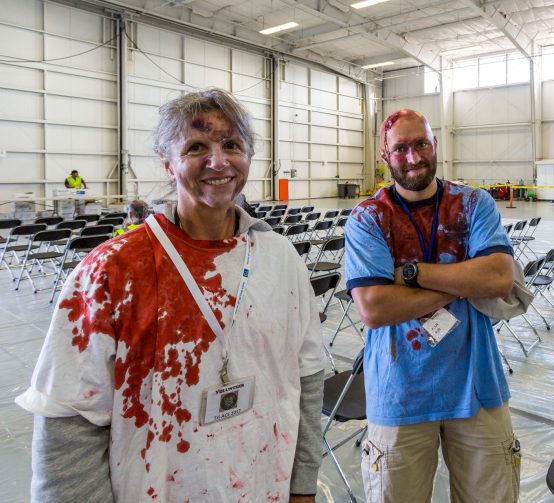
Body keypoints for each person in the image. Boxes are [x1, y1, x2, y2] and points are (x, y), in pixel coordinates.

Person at [16, 88, 324, 503]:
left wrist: (302, 486)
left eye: (232, 145)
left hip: (265, 485)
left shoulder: (281, 258)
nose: (219, 161)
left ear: (249, 157)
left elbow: (307, 376)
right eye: (197, 147)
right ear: (167, 161)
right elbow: (68, 424)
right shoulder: (110, 272)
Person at [345, 109, 520, 503]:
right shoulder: (368, 218)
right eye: (401, 148)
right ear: (384, 155)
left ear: (435, 144)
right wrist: (461, 281)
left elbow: (497, 277)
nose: (413, 157)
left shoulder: (474, 203)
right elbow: (373, 307)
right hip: (399, 392)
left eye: (421, 143)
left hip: (478, 388)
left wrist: (408, 274)